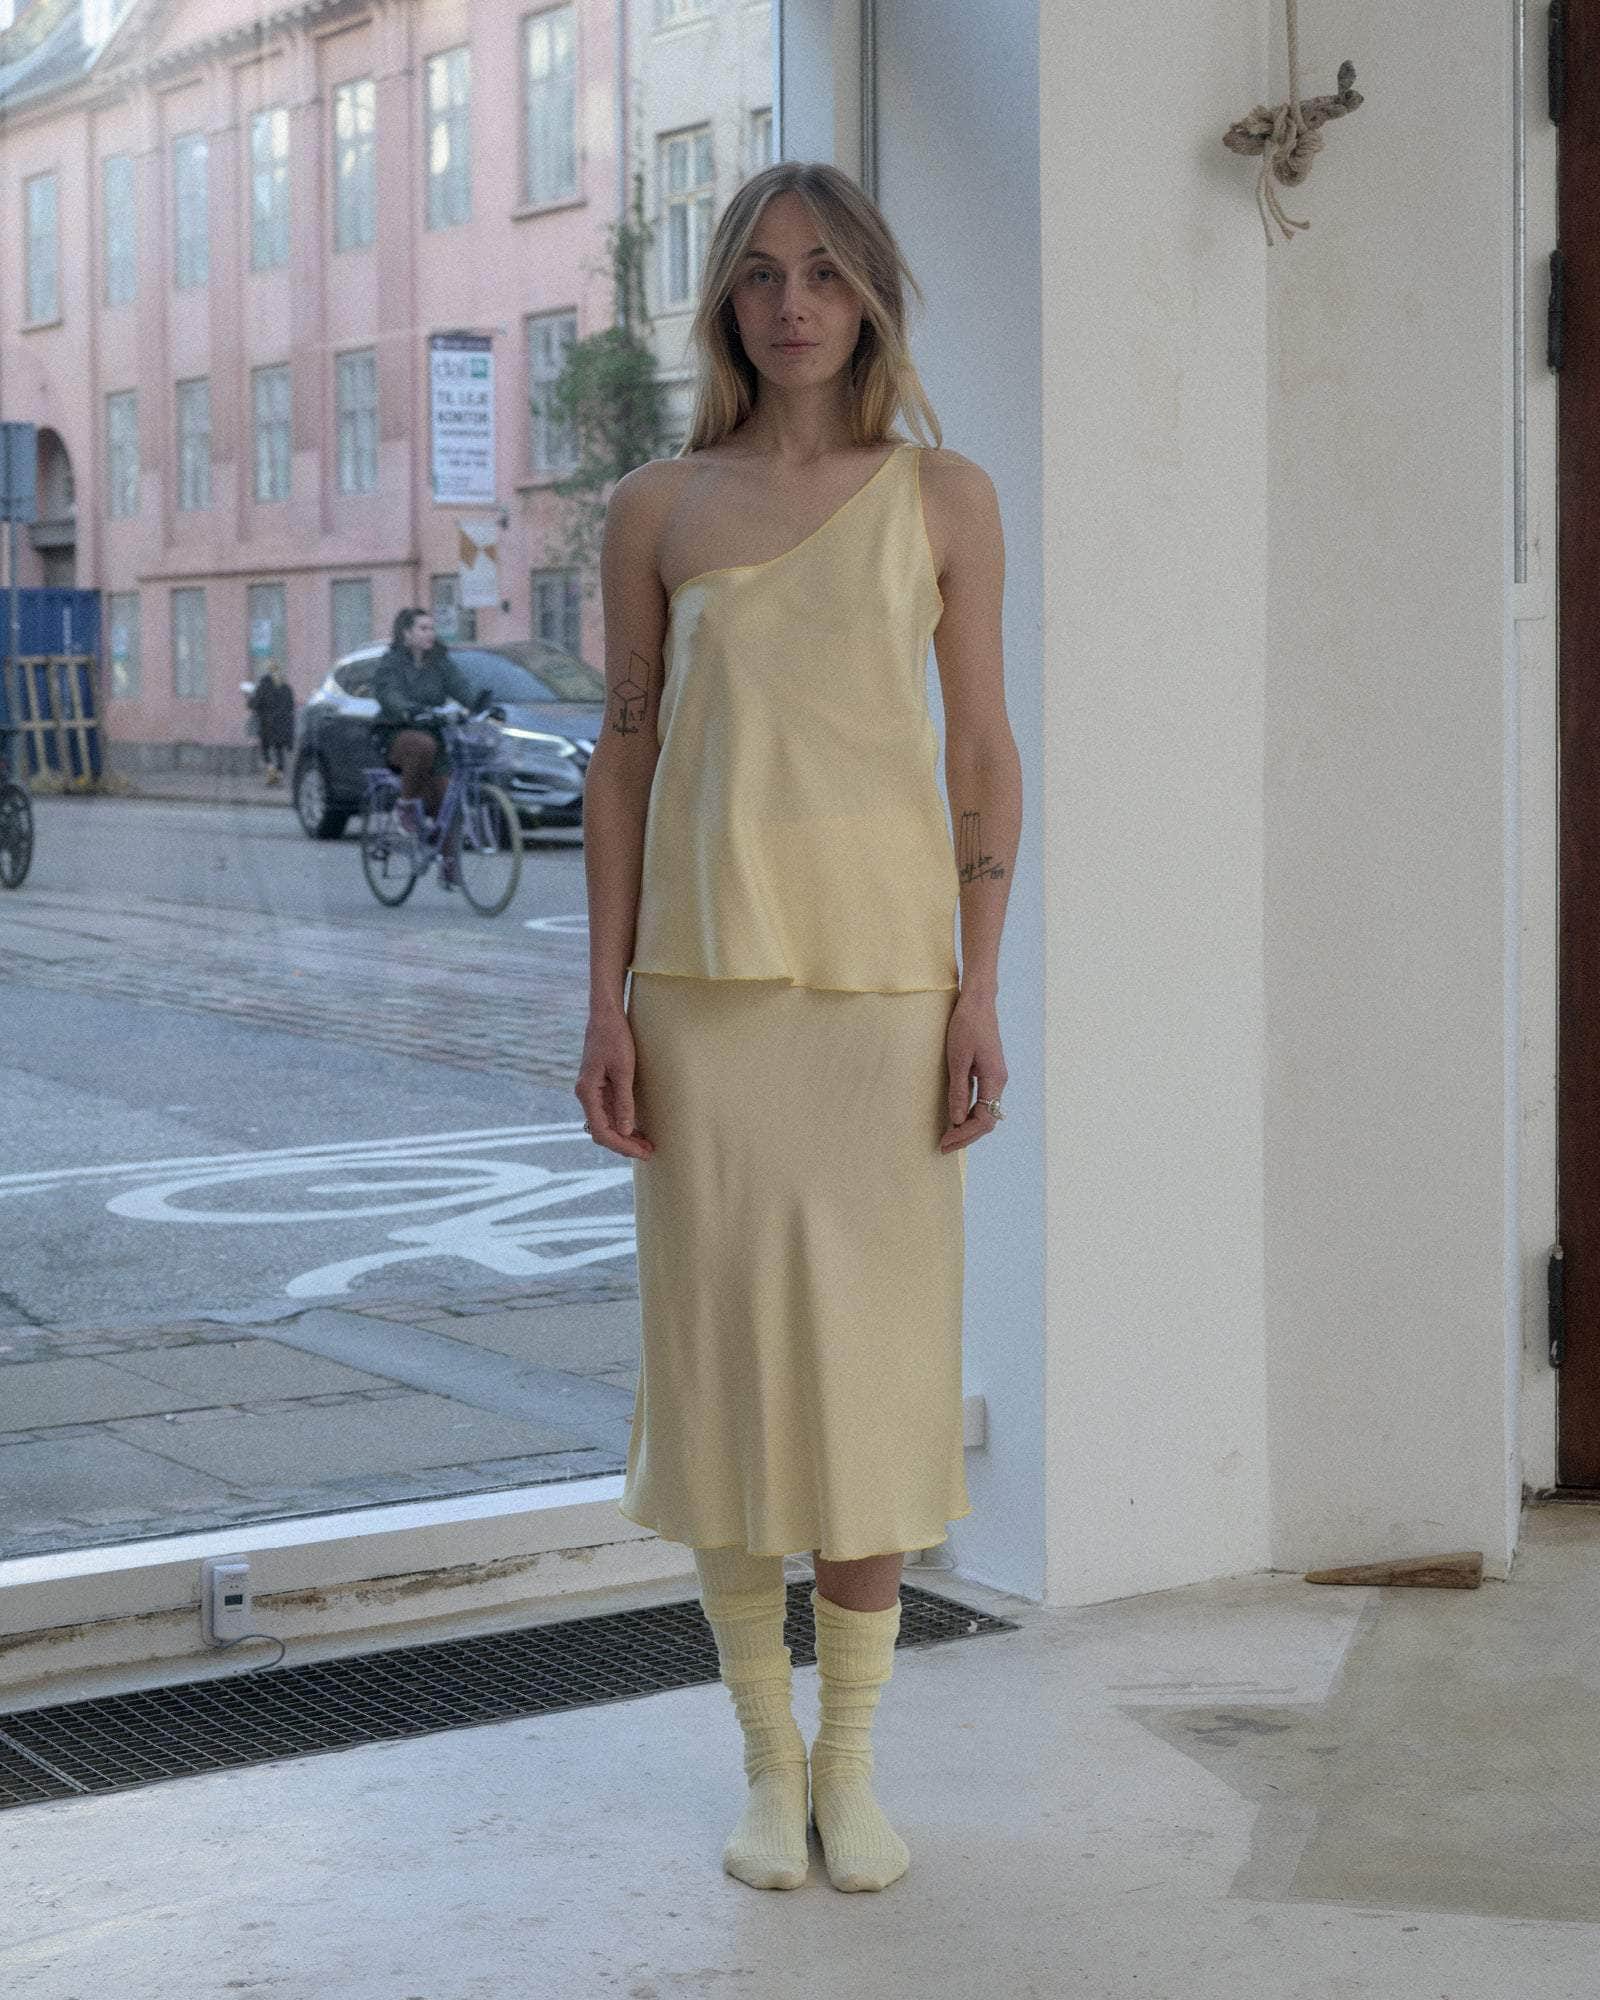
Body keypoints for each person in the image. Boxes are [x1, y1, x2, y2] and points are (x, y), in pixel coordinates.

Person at [576, 161, 1021, 1895]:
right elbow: (626, 760)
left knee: (870, 1377)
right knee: (724, 1376)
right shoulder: (656, 508)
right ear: (725, 304)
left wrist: (981, 983)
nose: (792, 304)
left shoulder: (946, 498)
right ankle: (767, 1766)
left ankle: (853, 1764)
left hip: (887, 991)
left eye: (824, 272)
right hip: (704, 997)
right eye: (760, 274)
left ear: (871, 295)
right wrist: (604, 1000)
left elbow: (979, 753)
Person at [372, 608, 476, 884]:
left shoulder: (439, 661)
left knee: (448, 795)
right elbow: (388, 692)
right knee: (422, 745)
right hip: (397, 732)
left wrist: (481, 703)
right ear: (406, 633)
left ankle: (448, 863)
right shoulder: (391, 662)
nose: (430, 633)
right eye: (423, 628)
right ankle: (405, 805)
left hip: (434, 734)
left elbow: (461, 686)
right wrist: (406, 709)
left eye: (432, 628)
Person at [247, 664, 295, 785]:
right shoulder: (286, 688)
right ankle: (278, 775)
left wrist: (250, 696)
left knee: (265, 750)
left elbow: (253, 705)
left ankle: (272, 772)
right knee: (279, 750)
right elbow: (291, 706)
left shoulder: (263, 687)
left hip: (267, 725)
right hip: (283, 725)